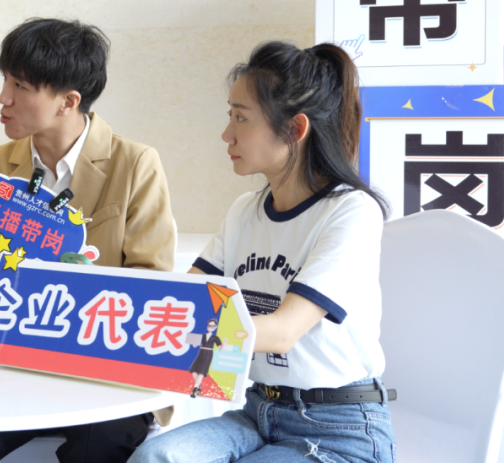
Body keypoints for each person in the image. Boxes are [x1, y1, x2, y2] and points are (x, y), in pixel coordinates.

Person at [130, 41, 396, 463]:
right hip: (257, 412)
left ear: (295, 128)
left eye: (240, 117)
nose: (227, 134)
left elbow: (283, 331)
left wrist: (174, 331)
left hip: (341, 430)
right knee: (155, 457)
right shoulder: (245, 211)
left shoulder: (352, 211)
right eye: (230, 115)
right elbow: (185, 301)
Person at [0, 18, 177, 463]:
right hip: (12, 358)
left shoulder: (134, 162)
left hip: (104, 367)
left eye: (20, 85)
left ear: (68, 101)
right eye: (5, 80)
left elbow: (152, 277)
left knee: (102, 440)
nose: (3, 97)